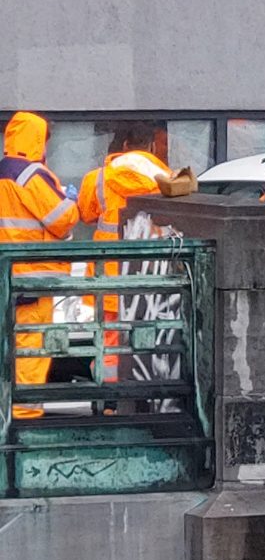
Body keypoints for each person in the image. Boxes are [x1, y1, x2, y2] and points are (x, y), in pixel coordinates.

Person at [0, 112, 80, 418]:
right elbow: (61, 220)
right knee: (31, 354)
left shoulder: (3, 171)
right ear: (37, 140)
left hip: (8, 278)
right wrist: (68, 200)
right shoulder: (30, 174)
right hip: (31, 279)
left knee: (9, 351)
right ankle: (23, 425)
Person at [78, 122, 171, 383]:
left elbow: (85, 214)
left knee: (107, 338)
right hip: (147, 274)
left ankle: (108, 399)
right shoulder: (165, 178)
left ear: (124, 146)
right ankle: (139, 390)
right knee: (144, 335)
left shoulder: (97, 177)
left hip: (105, 273)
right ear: (151, 146)